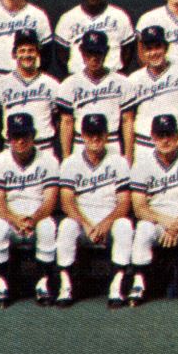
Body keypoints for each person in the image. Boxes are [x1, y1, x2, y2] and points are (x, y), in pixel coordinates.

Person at [127, 114, 178, 306]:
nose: (165, 140)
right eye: (160, 135)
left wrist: (177, 224)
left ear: (177, 136)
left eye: (169, 134)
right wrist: (166, 222)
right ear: (152, 137)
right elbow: (139, 208)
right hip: (157, 222)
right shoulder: (142, 164)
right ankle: (138, 283)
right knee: (143, 229)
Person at [56, 113, 134, 308]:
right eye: (90, 134)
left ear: (107, 135)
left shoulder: (119, 162)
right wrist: (86, 224)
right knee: (66, 226)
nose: (95, 138)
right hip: (83, 220)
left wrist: (106, 224)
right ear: (82, 135)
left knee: (124, 225)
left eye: (99, 133)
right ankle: (66, 285)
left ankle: (117, 285)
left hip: (109, 218)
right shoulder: (70, 162)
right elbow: (66, 202)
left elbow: (124, 202)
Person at [0, 113, 61, 307]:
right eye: (15, 136)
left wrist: (34, 219)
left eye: (24, 135)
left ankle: (43, 283)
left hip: (38, 216)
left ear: (33, 135)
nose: (20, 141)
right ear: (8, 137)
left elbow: (50, 200)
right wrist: (14, 219)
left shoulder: (49, 160)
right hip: (11, 218)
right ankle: (1, 284)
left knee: (48, 227)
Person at [125, 25, 178, 160]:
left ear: (165, 47)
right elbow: (128, 120)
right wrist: (129, 156)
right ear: (143, 51)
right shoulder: (134, 80)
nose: (154, 53)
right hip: (144, 146)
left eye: (157, 47)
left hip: (173, 145)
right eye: (149, 49)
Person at [56, 30, 135, 159]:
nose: (93, 58)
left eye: (98, 52)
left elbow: (127, 121)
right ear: (82, 52)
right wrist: (66, 157)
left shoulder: (122, 82)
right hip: (81, 144)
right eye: (89, 52)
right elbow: (67, 122)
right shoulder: (69, 84)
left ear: (106, 51)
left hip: (111, 143)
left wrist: (129, 157)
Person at [54, 0, 135, 78]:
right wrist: (73, 78)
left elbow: (128, 51)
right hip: (78, 78)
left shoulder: (119, 16)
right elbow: (61, 54)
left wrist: (118, 76)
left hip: (112, 78)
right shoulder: (68, 18)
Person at [0, 29, 61, 154]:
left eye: (31, 50)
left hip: (44, 147)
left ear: (38, 53)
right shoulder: (1, 84)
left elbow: (58, 119)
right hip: (12, 148)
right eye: (22, 51)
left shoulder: (51, 84)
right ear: (14, 54)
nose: (27, 55)